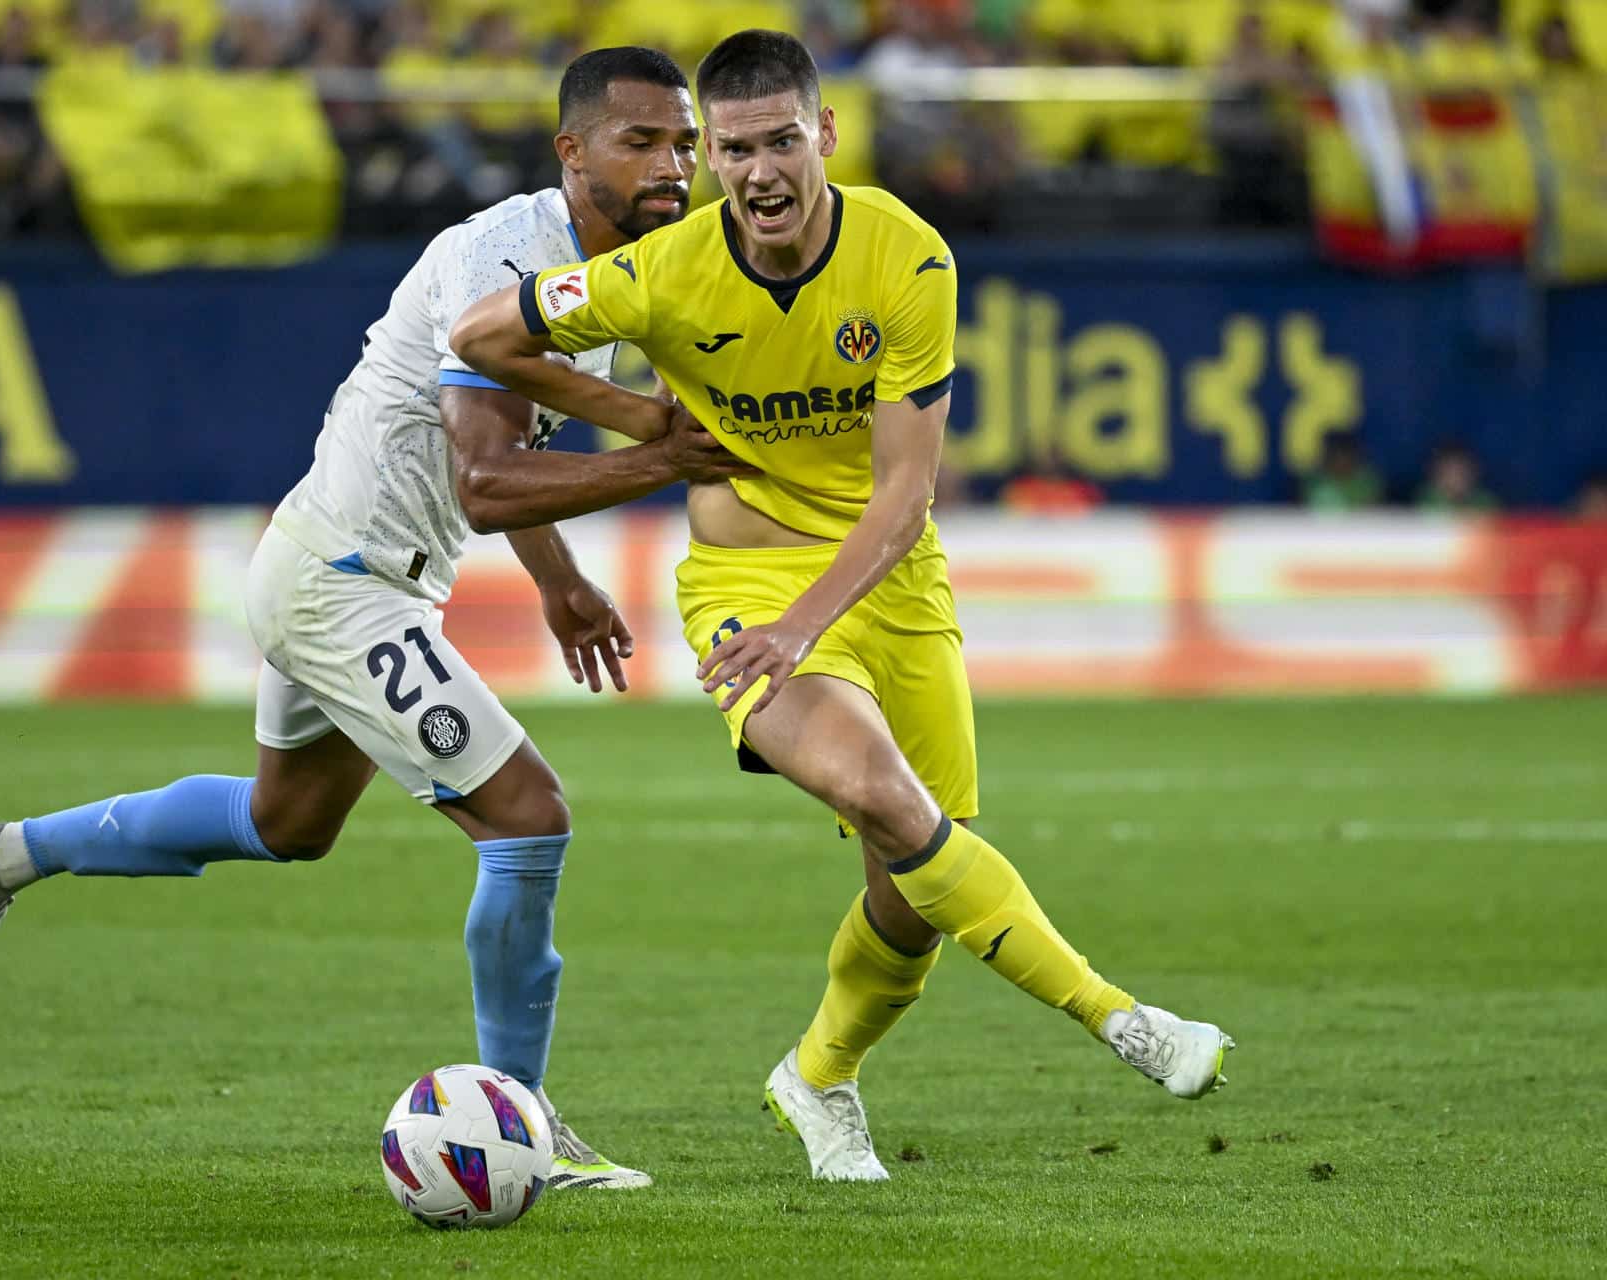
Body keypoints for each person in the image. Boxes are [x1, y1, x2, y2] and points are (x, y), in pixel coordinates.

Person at [0, 46, 745, 1191]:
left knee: (287, 820)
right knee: (528, 817)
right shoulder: (506, 257)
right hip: (343, 578)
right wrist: (660, 455)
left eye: (686, 143)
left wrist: (558, 578)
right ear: (573, 151)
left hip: (342, 566)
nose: (674, 164)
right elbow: (484, 483)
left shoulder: (620, 270)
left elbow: (505, 459)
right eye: (642, 140)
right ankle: (522, 1123)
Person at [452, 28, 1233, 1183]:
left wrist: (808, 621)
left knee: (913, 890)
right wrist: (637, 425)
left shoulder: (908, 258)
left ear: (826, 135)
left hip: (885, 578)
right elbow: (478, 334)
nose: (757, 172)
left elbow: (906, 495)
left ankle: (816, 1078)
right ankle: (1120, 1016)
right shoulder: (655, 275)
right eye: (730, 150)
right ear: (710, 159)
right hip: (743, 588)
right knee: (882, 792)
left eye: (779, 142)